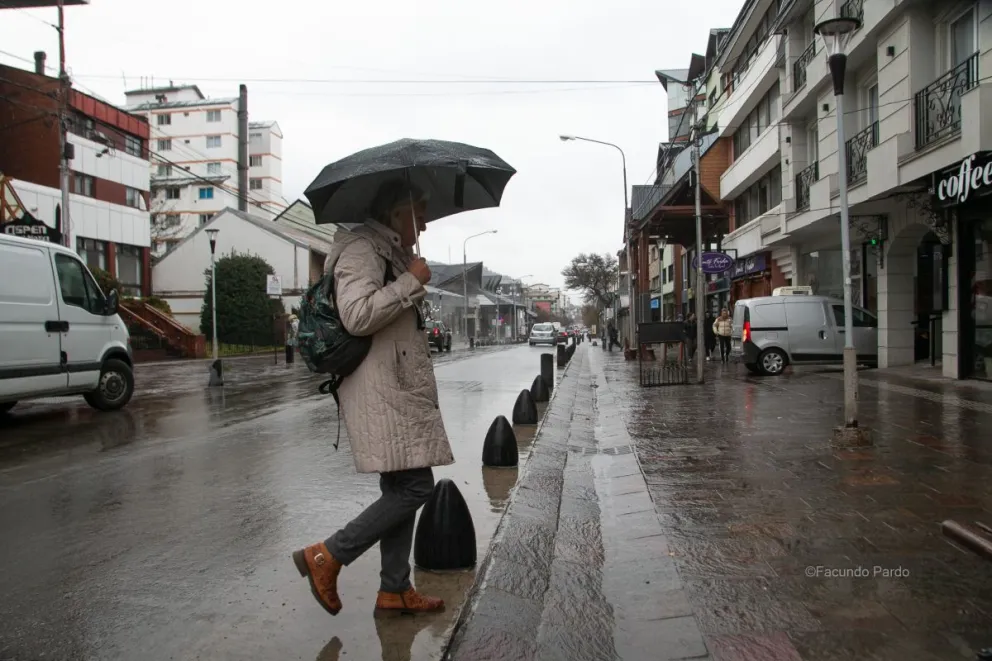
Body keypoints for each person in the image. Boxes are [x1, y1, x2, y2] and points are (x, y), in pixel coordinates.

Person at [292, 179, 454, 618]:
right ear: (396, 211)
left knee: (400, 486)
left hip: (394, 385)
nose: (423, 222)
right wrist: (409, 283)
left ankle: (394, 590)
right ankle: (329, 554)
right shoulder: (363, 248)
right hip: (380, 388)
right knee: (417, 486)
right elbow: (357, 315)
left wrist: (409, 275)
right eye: (418, 211)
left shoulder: (390, 251)